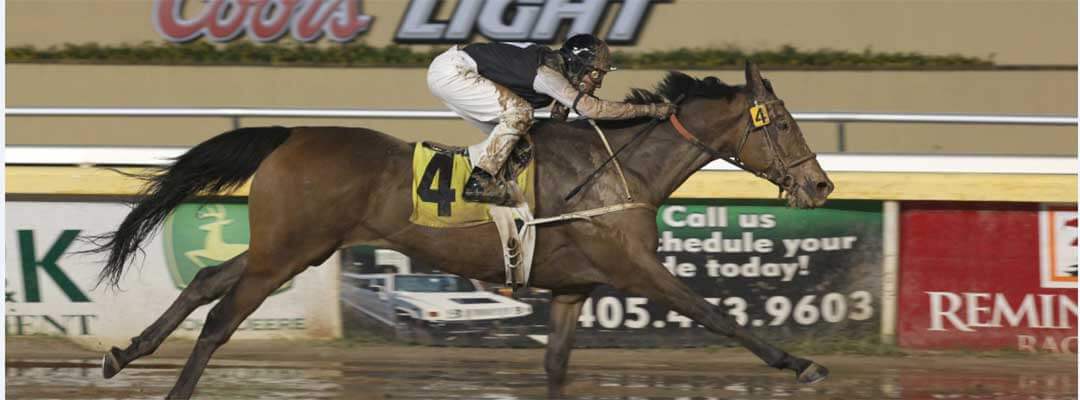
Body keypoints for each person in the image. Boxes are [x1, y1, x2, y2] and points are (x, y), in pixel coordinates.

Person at [427, 34, 677, 206]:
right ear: (578, 66)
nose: (598, 82)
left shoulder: (555, 70)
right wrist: (651, 109)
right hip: (454, 71)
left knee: (519, 140)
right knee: (520, 113)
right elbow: (593, 110)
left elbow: (558, 120)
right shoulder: (549, 75)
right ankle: (480, 184)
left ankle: (480, 184)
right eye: (595, 73)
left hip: (455, 69)